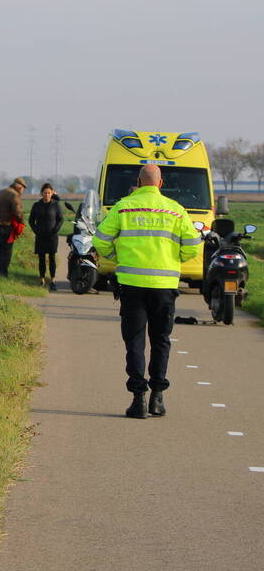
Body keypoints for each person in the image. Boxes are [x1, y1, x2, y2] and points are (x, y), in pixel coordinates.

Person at [92, 164, 201, 419]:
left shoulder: (124, 207)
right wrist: (174, 260)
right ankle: (157, 398)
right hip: (165, 286)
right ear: (161, 184)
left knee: (135, 341)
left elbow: (100, 240)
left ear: (138, 182)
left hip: (132, 285)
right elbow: (194, 246)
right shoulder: (176, 210)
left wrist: (116, 257)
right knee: (161, 340)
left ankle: (138, 398)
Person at [0, 177, 27, 277]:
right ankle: (4, 273)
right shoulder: (14, 195)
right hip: (7, 226)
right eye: (22, 188)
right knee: (7, 251)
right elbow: (17, 213)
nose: (22, 190)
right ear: (18, 186)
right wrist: (22, 222)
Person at [28, 182, 64, 290]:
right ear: (41, 193)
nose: (47, 195)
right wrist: (36, 230)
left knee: (52, 258)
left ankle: (53, 280)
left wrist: (55, 230)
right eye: (45, 193)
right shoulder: (36, 205)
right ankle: (42, 280)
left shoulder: (55, 205)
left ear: (52, 193)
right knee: (41, 258)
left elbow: (61, 219)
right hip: (40, 236)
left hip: (52, 236)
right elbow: (31, 220)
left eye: (49, 193)